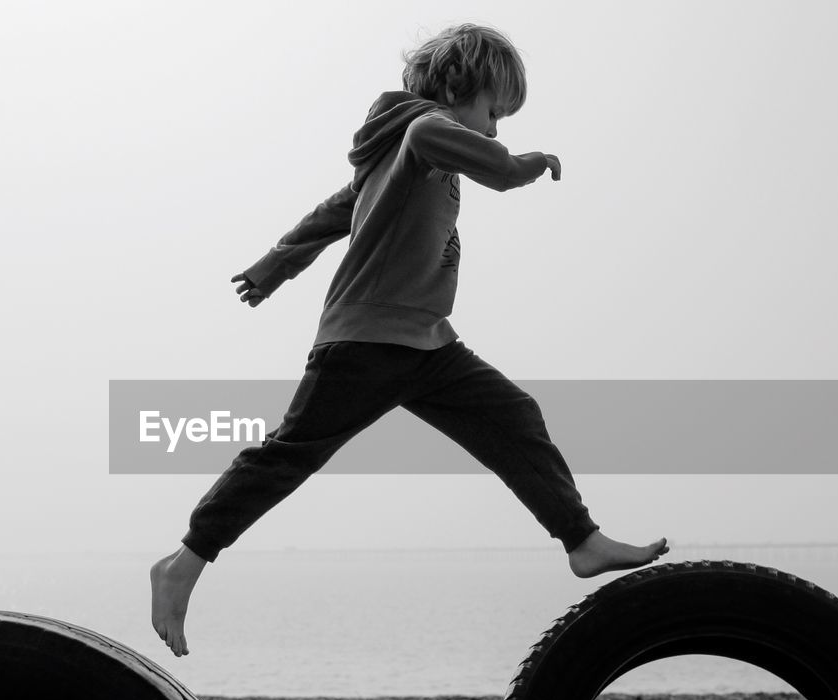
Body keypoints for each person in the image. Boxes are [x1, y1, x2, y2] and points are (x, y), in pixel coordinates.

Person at [151, 23, 668, 657]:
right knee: (288, 456)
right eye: (492, 112)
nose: (494, 130)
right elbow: (481, 165)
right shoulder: (423, 133)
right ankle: (185, 561)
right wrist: (522, 165)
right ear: (460, 88)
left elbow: (330, 215)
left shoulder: (403, 153)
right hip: (366, 341)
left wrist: (273, 265)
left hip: (424, 343)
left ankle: (581, 540)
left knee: (513, 415)